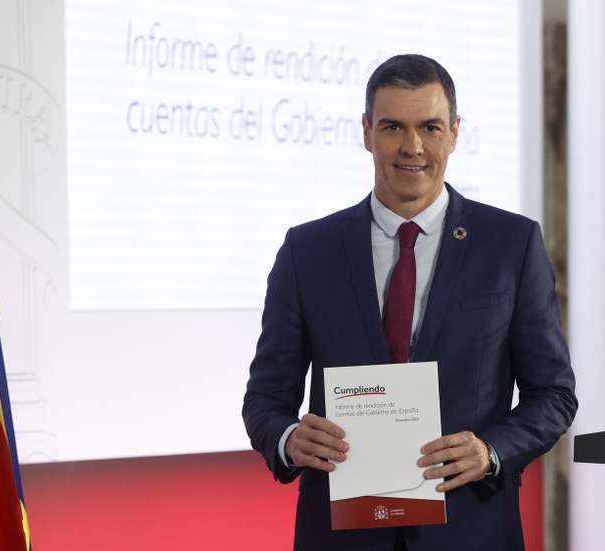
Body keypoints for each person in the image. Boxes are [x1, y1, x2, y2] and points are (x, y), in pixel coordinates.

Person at [242, 54, 577, 551]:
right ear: (365, 131)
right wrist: (290, 438)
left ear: (455, 132)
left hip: (473, 531)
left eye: (431, 127)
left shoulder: (511, 245)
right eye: (393, 126)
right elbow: (265, 400)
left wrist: (491, 451)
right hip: (341, 534)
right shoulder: (307, 251)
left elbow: (554, 394)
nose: (412, 147)